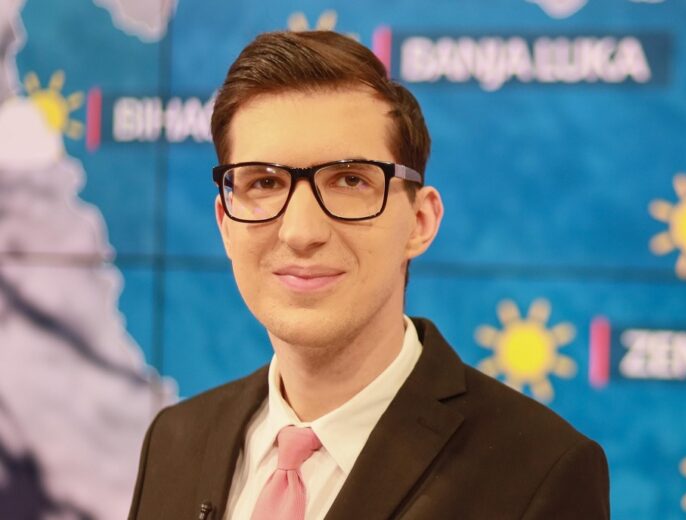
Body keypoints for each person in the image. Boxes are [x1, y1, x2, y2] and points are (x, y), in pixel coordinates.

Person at [128, 30, 610, 520]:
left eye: (349, 180)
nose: (301, 232)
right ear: (225, 225)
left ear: (420, 221)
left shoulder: (539, 473)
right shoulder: (175, 441)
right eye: (265, 182)